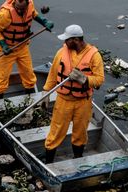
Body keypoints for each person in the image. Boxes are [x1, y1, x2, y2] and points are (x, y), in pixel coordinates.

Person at [42, 24, 104, 163]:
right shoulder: (61, 53)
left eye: (67, 40)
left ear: (76, 40)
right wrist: (45, 92)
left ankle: (78, 160)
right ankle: (49, 163)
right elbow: (53, 74)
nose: (65, 42)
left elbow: (99, 80)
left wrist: (83, 79)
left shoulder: (94, 56)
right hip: (63, 100)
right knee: (56, 132)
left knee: (80, 132)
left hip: (83, 102)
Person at [0, 0, 53, 99]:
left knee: (28, 74)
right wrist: (3, 45)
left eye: (22, 9)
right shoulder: (5, 14)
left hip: (23, 47)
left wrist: (44, 21)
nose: (20, 11)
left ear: (27, 4)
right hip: (8, 50)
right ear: (14, 3)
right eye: (18, 9)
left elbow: (34, 14)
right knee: (2, 79)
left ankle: (30, 98)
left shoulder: (30, 5)